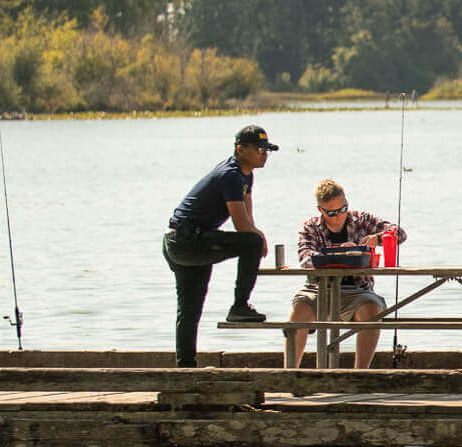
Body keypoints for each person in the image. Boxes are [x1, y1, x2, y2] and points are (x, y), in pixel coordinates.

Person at [161, 124, 275, 367]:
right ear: (240, 149)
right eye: (259, 149)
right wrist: (257, 238)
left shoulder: (245, 175)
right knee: (251, 242)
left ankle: (185, 368)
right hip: (185, 241)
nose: (264, 154)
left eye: (267, 150)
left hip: (186, 241)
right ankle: (240, 306)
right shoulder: (231, 175)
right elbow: (242, 227)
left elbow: (247, 214)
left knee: (190, 310)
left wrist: (258, 233)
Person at [286, 179, 405, 369]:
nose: (338, 216)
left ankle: (360, 375)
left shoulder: (361, 220)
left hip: (358, 290)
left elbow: (400, 233)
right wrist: (339, 253)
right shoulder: (310, 227)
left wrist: (378, 238)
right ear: (320, 210)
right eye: (331, 212)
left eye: (342, 209)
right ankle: (289, 374)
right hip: (318, 289)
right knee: (298, 314)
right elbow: (305, 258)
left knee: (372, 311)